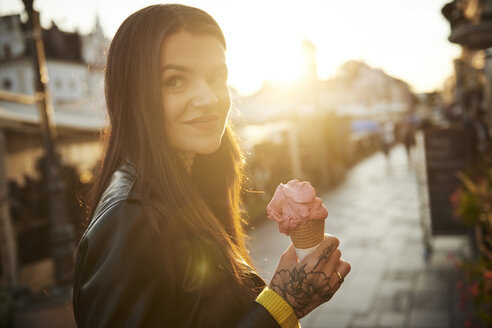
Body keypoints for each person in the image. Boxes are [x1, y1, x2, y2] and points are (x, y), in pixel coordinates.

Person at [72, 4, 350, 327]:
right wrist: (282, 303)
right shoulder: (129, 219)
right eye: (175, 80)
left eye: (217, 77)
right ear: (134, 95)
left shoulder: (188, 183)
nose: (209, 98)